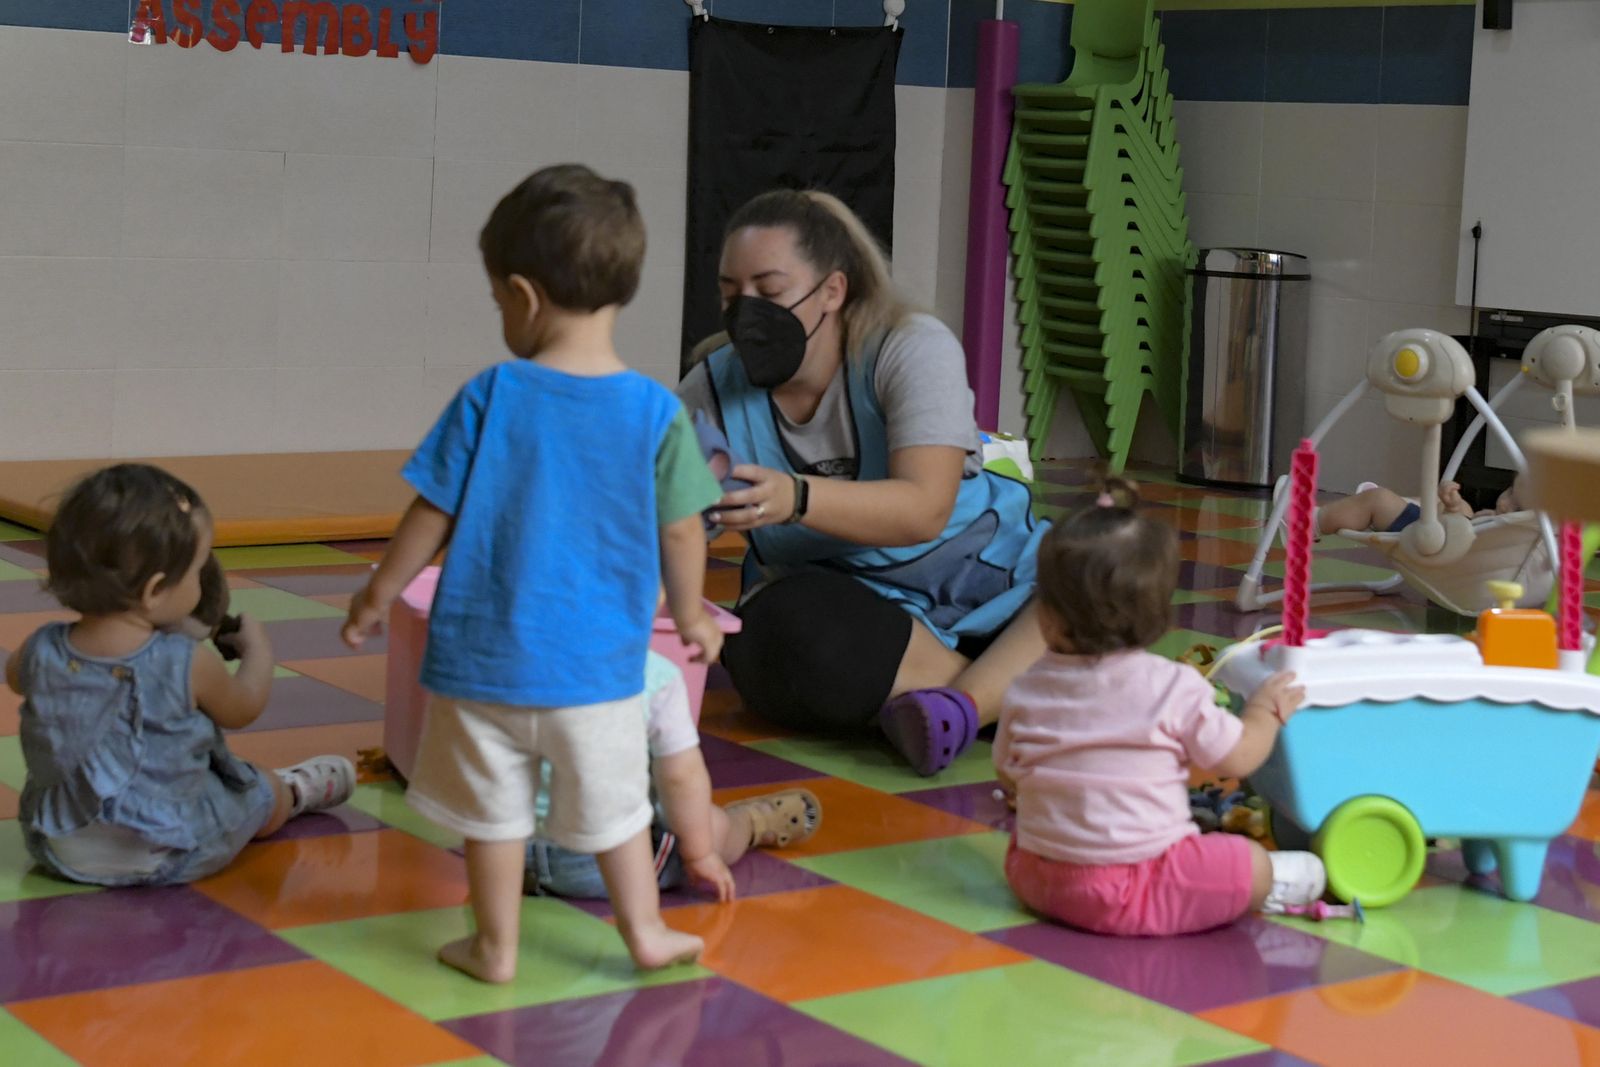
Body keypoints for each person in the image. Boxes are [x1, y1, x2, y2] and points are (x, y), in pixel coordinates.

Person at [342, 164, 725, 982]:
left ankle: (495, 945)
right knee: (620, 807)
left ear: (522, 294)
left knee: (495, 814)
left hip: (485, 667)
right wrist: (691, 614)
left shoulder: (492, 395)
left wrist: (379, 589)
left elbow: (430, 513)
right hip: (599, 673)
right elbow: (684, 527)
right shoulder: (656, 411)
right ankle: (647, 933)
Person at [678, 188, 1048, 777]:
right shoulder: (709, 393)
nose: (746, 311)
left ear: (833, 289)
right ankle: (1003, 704)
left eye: (769, 292)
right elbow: (664, 531)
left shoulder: (909, 348)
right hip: (870, 623)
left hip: (996, 590)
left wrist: (795, 497)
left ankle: (958, 706)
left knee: (1105, 572)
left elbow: (924, 510)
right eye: (730, 294)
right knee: (769, 636)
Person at [995, 478, 1327, 937]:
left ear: (1046, 619)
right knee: (1248, 862)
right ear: (1157, 620)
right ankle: (1275, 886)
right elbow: (1239, 757)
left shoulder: (1024, 689)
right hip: (1139, 884)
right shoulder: (1172, 685)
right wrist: (1265, 710)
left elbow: (1008, 773)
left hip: (1038, 877)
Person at [5, 464, 355, 888]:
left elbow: (18, 679)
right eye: (196, 571)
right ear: (154, 591)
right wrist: (258, 651)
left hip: (58, 847)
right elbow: (242, 708)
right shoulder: (184, 660)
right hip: (171, 853)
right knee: (257, 786)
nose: (199, 583)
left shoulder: (38, 648)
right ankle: (295, 793)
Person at [526, 650, 821, 900]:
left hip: (498, 854)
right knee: (707, 823)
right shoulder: (652, 673)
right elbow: (681, 778)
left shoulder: (506, 662)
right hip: (597, 864)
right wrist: (699, 855)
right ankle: (750, 822)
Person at [1316, 477, 1524, 538]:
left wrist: (1453, 510)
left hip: (1431, 542)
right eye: (1510, 492)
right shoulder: (1496, 518)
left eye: (1517, 508)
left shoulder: (1505, 533)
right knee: (1437, 500)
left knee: (1379, 499)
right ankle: (1398, 505)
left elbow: (1457, 539)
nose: (1505, 505)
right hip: (1442, 531)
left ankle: (1312, 522)